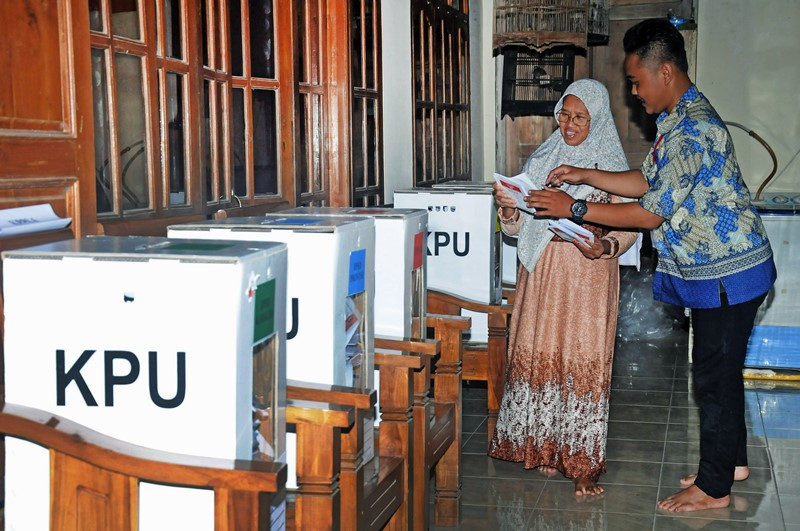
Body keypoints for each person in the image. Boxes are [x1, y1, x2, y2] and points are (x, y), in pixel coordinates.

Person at [529, 19, 777, 512]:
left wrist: (572, 206)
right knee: (723, 372)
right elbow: (649, 181)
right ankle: (731, 463)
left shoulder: (692, 130)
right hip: (725, 268)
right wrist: (585, 173)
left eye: (637, 81)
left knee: (711, 375)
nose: (634, 92)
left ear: (665, 72)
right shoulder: (680, 117)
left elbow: (649, 212)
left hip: (727, 272)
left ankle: (714, 487)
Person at [489, 79, 638, 496]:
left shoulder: (610, 163)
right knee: (541, 352)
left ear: (598, 119)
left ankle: (583, 463)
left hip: (588, 272)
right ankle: (542, 448)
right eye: (564, 115)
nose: (569, 124)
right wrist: (508, 209)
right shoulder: (545, 155)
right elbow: (519, 228)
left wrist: (607, 243)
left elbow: (632, 224)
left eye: (579, 117)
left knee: (582, 356)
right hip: (544, 269)